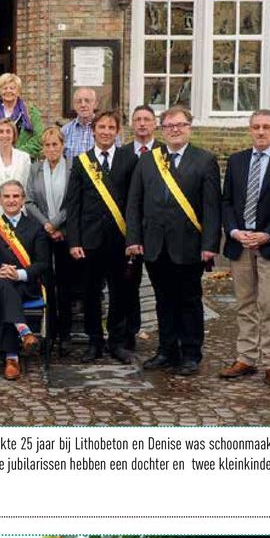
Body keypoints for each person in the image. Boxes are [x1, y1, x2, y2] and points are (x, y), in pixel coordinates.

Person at [124, 105, 221, 375]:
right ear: (162, 130)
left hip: (189, 244)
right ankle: (167, 350)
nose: (175, 130)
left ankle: (191, 353)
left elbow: (212, 207)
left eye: (180, 125)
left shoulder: (204, 160)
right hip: (155, 244)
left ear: (189, 127)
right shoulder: (148, 160)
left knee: (189, 299)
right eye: (169, 126)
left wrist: (210, 245)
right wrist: (134, 238)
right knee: (163, 299)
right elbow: (134, 203)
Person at [219, 110, 270, 386]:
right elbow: (227, 201)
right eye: (256, 127)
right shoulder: (237, 161)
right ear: (250, 130)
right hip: (240, 243)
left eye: (267, 127)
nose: (261, 132)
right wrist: (234, 231)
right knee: (245, 303)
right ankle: (246, 357)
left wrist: (268, 234)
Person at [66, 109, 137, 363]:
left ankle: (116, 342)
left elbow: (134, 202)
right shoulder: (81, 161)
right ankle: (94, 342)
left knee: (120, 293)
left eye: (111, 128)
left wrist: (133, 239)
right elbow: (72, 205)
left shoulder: (129, 160)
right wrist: (74, 241)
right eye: (102, 127)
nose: (106, 132)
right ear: (93, 130)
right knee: (90, 294)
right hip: (90, 241)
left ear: (117, 132)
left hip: (120, 241)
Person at [0, 179, 50, 381]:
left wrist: (18, 274)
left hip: (27, 285)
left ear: (23, 200)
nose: (11, 200)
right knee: (4, 285)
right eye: (7, 196)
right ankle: (22, 334)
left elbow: (43, 263)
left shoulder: (36, 228)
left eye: (16, 196)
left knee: (8, 290)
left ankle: (11, 356)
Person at [118, 104, 162, 351]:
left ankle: (166, 340)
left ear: (154, 123)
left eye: (147, 119)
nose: (142, 124)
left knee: (162, 286)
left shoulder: (165, 152)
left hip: (158, 230)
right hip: (129, 230)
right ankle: (128, 333)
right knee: (128, 285)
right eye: (138, 120)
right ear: (132, 124)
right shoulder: (122, 153)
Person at [27, 125, 72, 345]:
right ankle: (49, 333)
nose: (51, 149)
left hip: (66, 233)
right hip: (43, 234)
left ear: (63, 146)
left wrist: (57, 225)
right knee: (47, 283)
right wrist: (46, 224)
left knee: (65, 285)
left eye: (55, 144)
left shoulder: (73, 167)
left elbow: (74, 200)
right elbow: (28, 200)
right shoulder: (35, 168)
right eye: (47, 145)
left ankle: (65, 334)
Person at [0, 72, 44, 159]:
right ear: (0, 92)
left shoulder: (31, 112)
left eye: (12, 88)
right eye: (5, 88)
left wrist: (17, 153)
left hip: (24, 159)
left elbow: (39, 138)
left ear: (18, 92)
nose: (8, 91)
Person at [61, 86, 102, 160]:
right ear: (74, 105)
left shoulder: (106, 129)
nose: (83, 105)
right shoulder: (65, 131)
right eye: (79, 101)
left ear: (95, 104)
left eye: (87, 101)